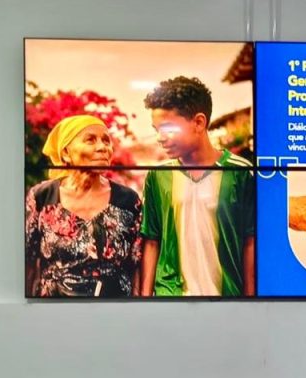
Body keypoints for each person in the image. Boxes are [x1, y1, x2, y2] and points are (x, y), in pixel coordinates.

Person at [138, 76, 255, 296]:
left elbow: (250, 242)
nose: (160, 138)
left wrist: (249, 302)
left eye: (168, 128)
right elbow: (152, 241)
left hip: (226, 299)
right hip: (170, 299)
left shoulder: (241, 172)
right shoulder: (158, 175)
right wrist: (145, 301)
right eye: (156, 130)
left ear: (199, 122)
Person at [25, 114, 142, 297]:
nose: (102, 147)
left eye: (106, 141)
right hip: (55, 312)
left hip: (115, 312)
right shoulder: (42, 197)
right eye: (90, 140)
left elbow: (136, 266)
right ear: (65, 153)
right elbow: (29, 262)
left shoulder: (128, 200)